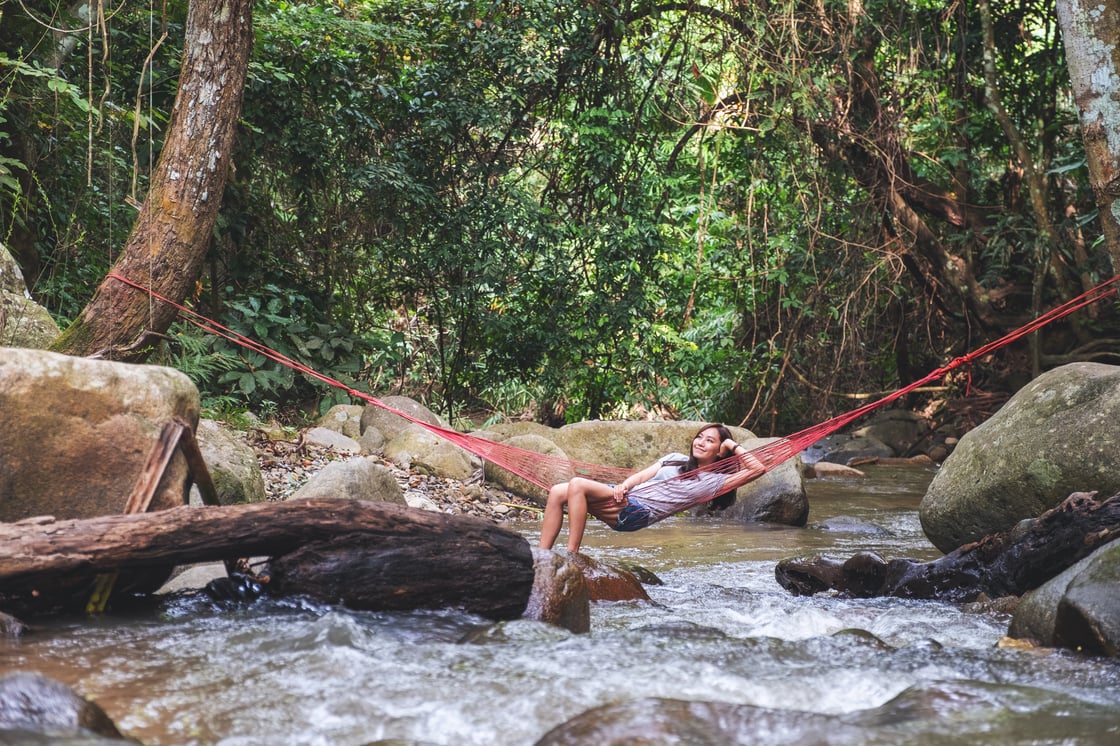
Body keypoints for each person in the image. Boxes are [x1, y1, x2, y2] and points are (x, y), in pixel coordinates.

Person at [538, 423, 766, 553]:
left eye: (710, 441)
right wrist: (623, 485)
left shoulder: (714, 483)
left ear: (719, 451)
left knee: (577, 484)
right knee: (559, 490)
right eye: (699, 437)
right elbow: (642, 476)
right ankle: (542, 554)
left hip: (637, 512)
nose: (700, 442)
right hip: (627, 496)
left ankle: (572, 554)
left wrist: (732, 445)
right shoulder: (675, 459)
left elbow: (758, 469)